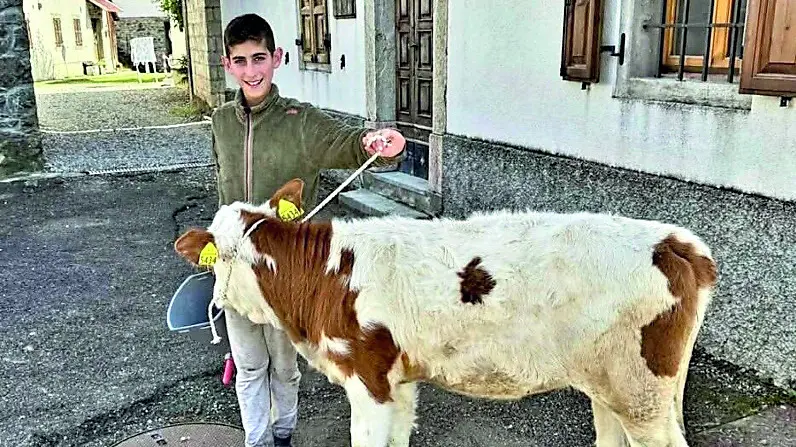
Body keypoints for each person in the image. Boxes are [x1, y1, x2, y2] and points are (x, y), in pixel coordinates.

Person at [211, 13, 406, 447]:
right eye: (240, 61)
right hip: (235, 270)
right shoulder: (220, 122)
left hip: (287, 275)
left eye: (259, 58)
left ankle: (283, 434)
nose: (251, 70)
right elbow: (223, 189)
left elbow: (345, 142)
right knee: (247, 365)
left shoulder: (302, 120)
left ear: (276, 57)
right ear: (227, 64)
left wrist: (375, 143)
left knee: (284, 365)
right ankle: (256, 440)